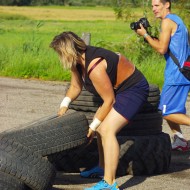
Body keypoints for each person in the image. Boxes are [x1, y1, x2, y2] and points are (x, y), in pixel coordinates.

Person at [50, 31, 149, 190]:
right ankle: (102, 168)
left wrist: (92, 126)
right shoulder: (77, 61)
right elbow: (76, 87)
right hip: (119, 90)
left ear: (67, 51)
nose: (59, 57)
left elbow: (109, 100)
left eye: (59, 53)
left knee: (105, 129)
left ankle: (110, 183)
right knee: (100, 128)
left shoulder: (94, 66)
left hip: (133, 89)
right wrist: (64, 106)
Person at [135, 0, 190, 151]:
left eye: (157, 5)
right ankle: (179, 140)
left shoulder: (167, 22)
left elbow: (161, 49)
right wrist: (150, 36)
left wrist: (145, 34)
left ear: (167, 5)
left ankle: (179, 139)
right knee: (170, 109)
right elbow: (167, 45)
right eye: (152, 6)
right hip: (182, 73)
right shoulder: (177, 19)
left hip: (176, 75)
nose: (154, 9)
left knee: (166, 112)